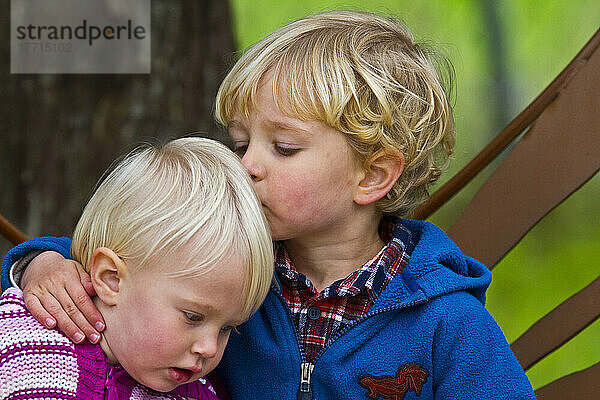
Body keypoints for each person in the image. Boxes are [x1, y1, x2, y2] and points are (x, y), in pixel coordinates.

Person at [1, 10, 536, 399]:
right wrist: (38, 263)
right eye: (240, 143)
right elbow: (129, 264)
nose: (248, 164)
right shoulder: (226, 274)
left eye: (283, 147)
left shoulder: (445, 321)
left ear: (371, 175)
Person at [0, 138, 273, 399]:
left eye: (227, 328)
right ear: (111, 280)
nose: (209, 348)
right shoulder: (20, 345)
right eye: (193, 316)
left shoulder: (200, 393)